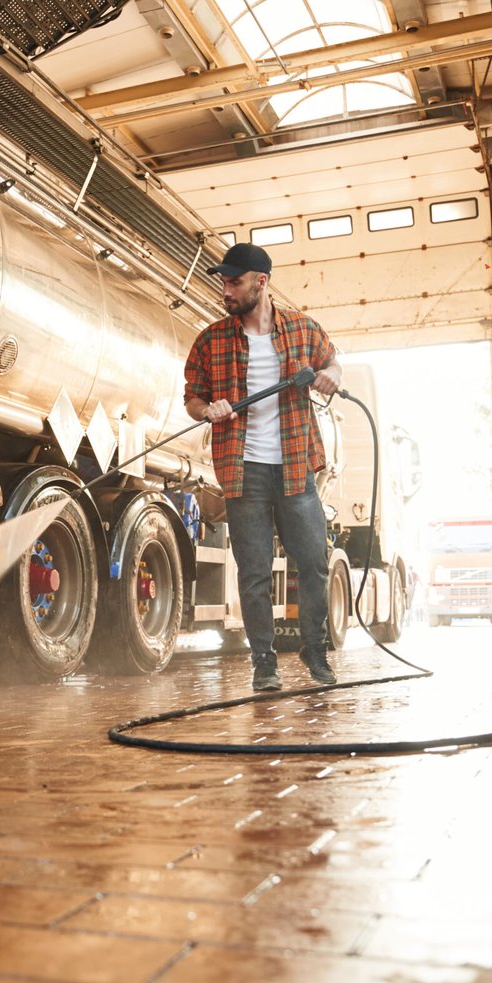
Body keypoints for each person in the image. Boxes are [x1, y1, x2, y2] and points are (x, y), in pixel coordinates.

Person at [183, 242, 343, 691]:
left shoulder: (302, 330)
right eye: (224, 282)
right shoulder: (211, 339)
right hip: (242, 470)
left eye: (234, 282)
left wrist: (334, 375)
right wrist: (206, 409)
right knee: (253, 572)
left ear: (261, 282)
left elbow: (332, 360)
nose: (226, 291)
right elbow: (192, 396)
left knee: (312, 564)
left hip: (295, 468)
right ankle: (264, 663)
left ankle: (315, 651)